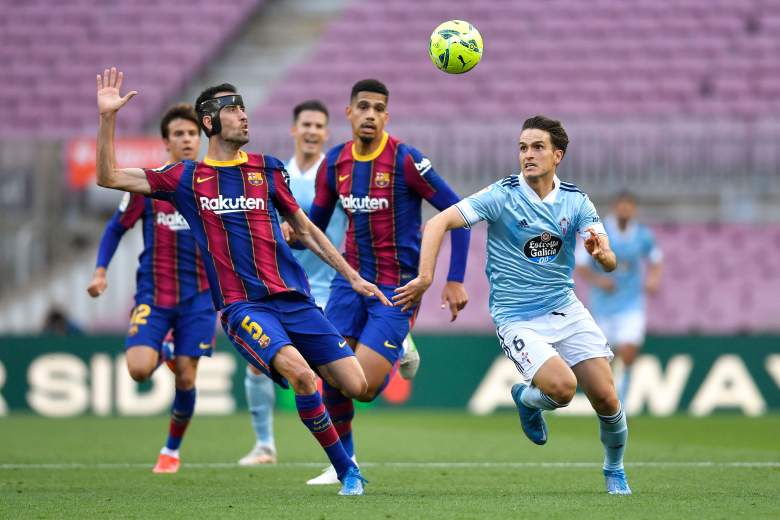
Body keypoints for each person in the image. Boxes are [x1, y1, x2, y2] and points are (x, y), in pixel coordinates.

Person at [94, 67, 388, 496]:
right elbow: (109, 176)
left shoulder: (266, 169)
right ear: (210, 122)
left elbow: (304, 229)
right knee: (303, 377)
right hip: (243, 306)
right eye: (233, 109)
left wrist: (353, 277)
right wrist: (108, 118)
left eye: (244, 108)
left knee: (357, 384)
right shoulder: (185, 178)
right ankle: (348, 472)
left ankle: (343, 459)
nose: (244, 116)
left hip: (295, 299)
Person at [394, 115, 632, 495]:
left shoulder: (576, 201)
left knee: (606, 396)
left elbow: (610, 261)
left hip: (565, 308)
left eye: (537, 147)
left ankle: (614, 469)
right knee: (564, 389)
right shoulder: (501, 195)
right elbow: (438, 223)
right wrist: (426, 278)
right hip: (517, 318)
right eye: (523, 147)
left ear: (558, 155)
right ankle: (526, 397)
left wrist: (602, 253)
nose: (528, 154)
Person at [304, 79, 470, 485]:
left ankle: (401, 343)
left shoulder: (406, 160)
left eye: (379, 109)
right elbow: (315, 226)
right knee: (331, 373)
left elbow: (460, 214)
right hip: (351, 284)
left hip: (397, 289)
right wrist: (287, 235)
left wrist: (454, 279)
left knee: (361, 386)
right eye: (363, 107)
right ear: (349, 113)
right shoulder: (334, 163)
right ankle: (346, 465)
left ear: (386, 116)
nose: (371, 115)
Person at [87, 103, 214, 474]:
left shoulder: (211, 184)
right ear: (166, 141)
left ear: (200, 139)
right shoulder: (148, 185)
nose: (187, 139)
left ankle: (171, 450)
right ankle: (168, 348)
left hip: (201, 297)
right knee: (139, 370)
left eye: (192, 133)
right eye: (179, 134)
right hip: (154, 295)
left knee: (187, 377)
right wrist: (99, 272)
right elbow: (115, 228)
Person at [238, 99, 347, 466]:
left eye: (319, 126)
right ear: (294, 129)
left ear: (327, 132)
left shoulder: (335, 175)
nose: (313, 131)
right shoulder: (275, 175)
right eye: (307, 125)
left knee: (338, 374)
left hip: (331, 287)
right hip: (284, 286)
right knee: (258, 363)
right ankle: (264, 444)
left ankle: (342, 459)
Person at [575, 191, 663, 404]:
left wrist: (653, 279)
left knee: (628, 351)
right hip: (603, 306)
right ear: (615, 207)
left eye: (629, 206)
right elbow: (580, 265)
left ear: (633, 209)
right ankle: (608, 400)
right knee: (604, 359)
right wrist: (599, 281)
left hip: (631, 304)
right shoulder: (599, 232)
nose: (625, 210)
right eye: (622, 206)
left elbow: (656, 259)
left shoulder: (642, 235)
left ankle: (621, 403)